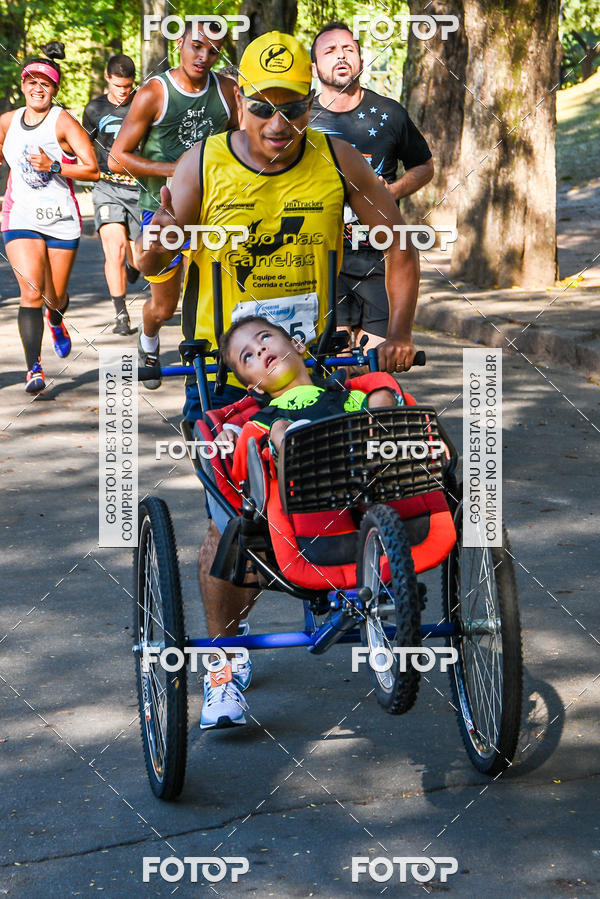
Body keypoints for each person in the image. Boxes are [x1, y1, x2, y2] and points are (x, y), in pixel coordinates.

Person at [136, 31, 420, 728]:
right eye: (261, 107)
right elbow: (154, 266)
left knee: (357, 465)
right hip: (225, 369)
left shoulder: (337, 158)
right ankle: (224, 661)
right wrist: (158, 240)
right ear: (239, 102)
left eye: (292, 107)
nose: (277, 124)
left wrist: (402, 332)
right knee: (228, 524)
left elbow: (401, 244)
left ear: (309, 106)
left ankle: (371, 586)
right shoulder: (202, 164)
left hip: (315, 358)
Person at [109, 22, 237, 387]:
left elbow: (243, 143)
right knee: (165, 306)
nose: (203, 57)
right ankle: (148, 336)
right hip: (163, 209)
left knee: (224, 294)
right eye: (196, 46)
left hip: (216, 211)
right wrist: (179, 169)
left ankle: (218, 370)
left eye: (213, 51)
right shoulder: (155, 93)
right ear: (179, 43)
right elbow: (118, 158)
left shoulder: (227, 90)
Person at [309, 22, 434, 349]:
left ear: (362, 62)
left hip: (379, 257)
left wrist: (392, 192)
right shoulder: (300, 118)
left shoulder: (389, 113)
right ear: (314, 67)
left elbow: (424, 166)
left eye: (349, 50)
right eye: (330, 51)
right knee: (334, 365)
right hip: (322, 260)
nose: (341, 56)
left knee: (375, 362)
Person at [0, 42, 99, 393]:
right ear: (23, 84)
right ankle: (35, 369)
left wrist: (55, 165)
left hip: (61, 218)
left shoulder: (63, 122)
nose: (37, 88)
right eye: (32, 81)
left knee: (52, 297)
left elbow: (92, 170)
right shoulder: (7, 122)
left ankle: (55, 318)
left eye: (45, 83)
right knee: (31, 292)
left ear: (54, 89)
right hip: (20, 216)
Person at [219, 315, 401, 459]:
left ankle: (376, 458)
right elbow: (244, 438)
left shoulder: (339, 393)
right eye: (248, 356)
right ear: (255, 388)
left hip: (354, 437)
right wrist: (229, 435)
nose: (260, 349)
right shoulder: (265, 418)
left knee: (381, 396)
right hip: (305, 471)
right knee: (281, 428)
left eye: (265, 337)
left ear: (297, 345)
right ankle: (308, 460)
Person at [83, 54, 140, 336]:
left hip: (141, 188)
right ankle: (121, 315)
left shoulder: (143, 102)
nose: (123, 91)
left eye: (128, 86)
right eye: (118, 86)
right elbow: (83, 144)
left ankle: (134, 264)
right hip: (107, 187)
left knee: (141, 258)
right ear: (107, 79)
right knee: (113, 249)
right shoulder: (94, 109)